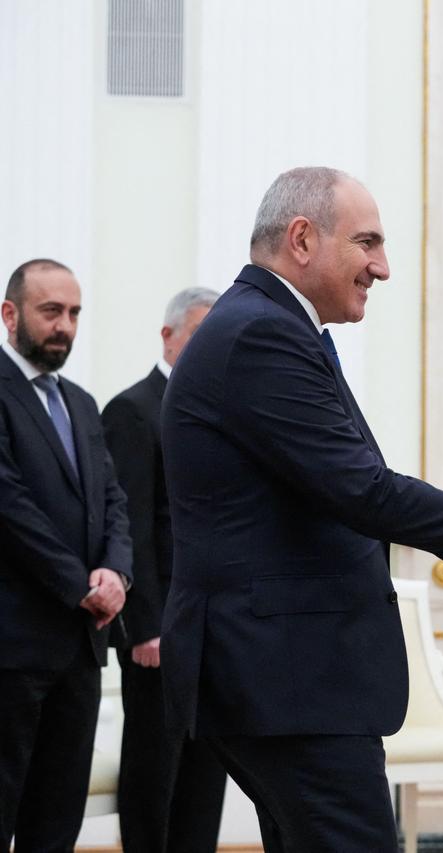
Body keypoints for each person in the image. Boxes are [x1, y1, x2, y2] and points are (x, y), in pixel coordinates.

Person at [161, 166, 443, 852]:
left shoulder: (269, 326)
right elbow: (364, 491)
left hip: (283, 676)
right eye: (368, 242)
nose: (381, 267)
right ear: (301, 239)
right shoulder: (262, 334)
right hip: (287, 678)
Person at [0, 258, 133, 850]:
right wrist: (81, 583)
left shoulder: (80, 402)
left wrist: (118, 574)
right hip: (12, 647)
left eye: (74, 313)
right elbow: (9, 507)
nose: (65, 326)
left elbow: (112, 500)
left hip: (80, 646)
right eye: (50, 311)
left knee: (56, 819)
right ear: (10, 315)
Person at [102, 286, 226, 853]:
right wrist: (145, 625)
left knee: (206, 769)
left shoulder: (223, 412)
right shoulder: (132, 410)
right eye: (199, 335)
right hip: (160, 630)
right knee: (156, 767)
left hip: (214, 626)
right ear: (168, 335)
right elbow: (130, 524)